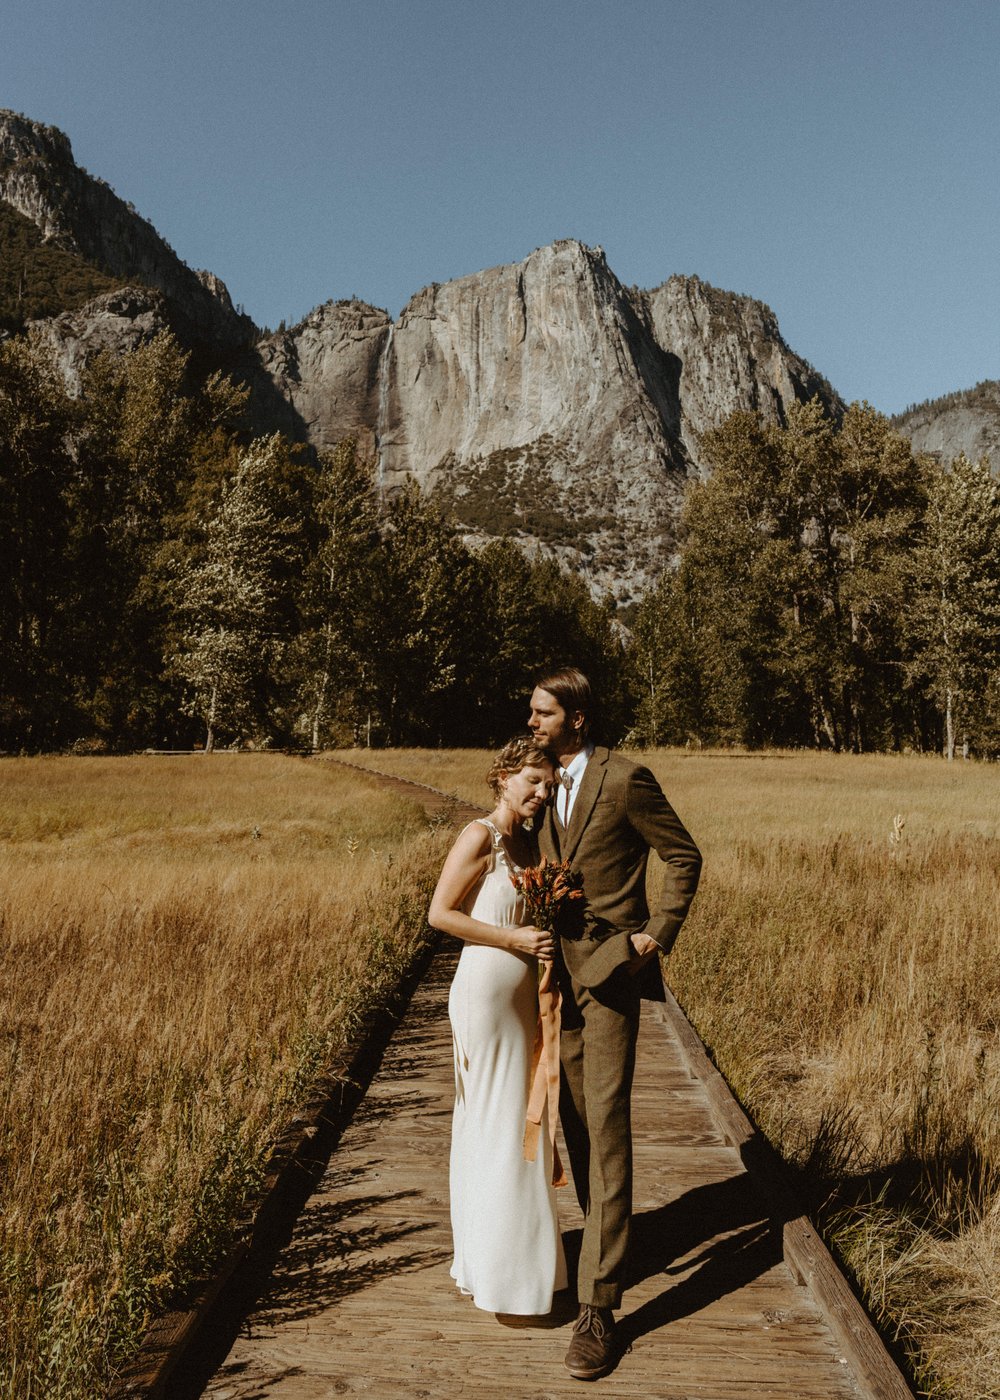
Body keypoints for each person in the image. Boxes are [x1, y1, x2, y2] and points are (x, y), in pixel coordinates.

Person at [528, 666, 702, 1380]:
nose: (532, 721)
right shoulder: (539, 779)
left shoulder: (626, 778)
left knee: (605, 1122)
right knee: (569, 1113)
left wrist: (654, 934)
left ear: (576, 716)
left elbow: (683, 856)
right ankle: (599, 1244)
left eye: (543, 713)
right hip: (549, 980)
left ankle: (600, 1305)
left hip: (609, 975)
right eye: (532, 712)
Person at [428, 735, 569, 1316]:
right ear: (503, 777)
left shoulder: (530, 842)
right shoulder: (479, 836)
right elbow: (440, 913)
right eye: (532, 781)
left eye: (549, 784)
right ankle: (503, 1275)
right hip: (484, 995)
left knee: (517, 1117)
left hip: (522, 999)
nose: (542, 793)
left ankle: (506, 1262)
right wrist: (512, 937)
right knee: (499, 1120)